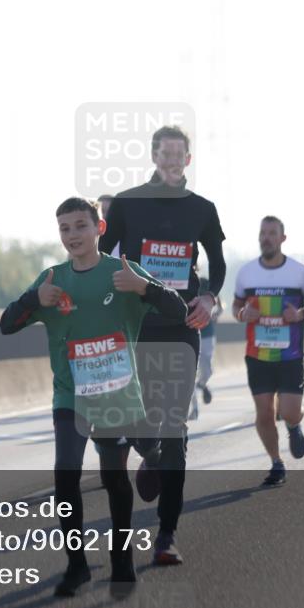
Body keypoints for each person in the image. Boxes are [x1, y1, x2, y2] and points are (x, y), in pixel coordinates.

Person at [0, 197, 187, 597]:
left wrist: (144, 287)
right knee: (65, 475)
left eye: (81, 226)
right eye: (65, 229)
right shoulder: (52, 279)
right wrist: (34, 300)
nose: (72, 236)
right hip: (70, 396)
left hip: (117, 397)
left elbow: (177, 309)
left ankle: (121, 559)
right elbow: (6, 325)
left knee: (113, 480)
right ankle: (77, 565)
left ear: (99, 228)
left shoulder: (122, 272)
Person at [99, 125, 226, 566]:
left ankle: (167, 535)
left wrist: (210, 297)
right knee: (137, 421)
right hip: (134, 327)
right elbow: (100, 254)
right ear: (154, 156)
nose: (172, 160)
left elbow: (218, 262)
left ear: (187, 160)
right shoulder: (128, 203)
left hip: (181, 324)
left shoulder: (203, 210)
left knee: (175, 430)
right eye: (165, 152)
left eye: (179, 154)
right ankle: (149, 452)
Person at [233, 216, 304, 487]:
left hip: (290, 356)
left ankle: (294, 426)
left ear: (283, 238)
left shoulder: (298, 271)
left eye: (272, 233)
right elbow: (236, 306)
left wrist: (301, 314)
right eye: (263, 233)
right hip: (257, 355)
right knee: (264, 413)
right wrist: (243, 314)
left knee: (290, 411)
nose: (266, 238)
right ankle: (276, 463)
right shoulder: (247, 272)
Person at [190, 273, 222, 420]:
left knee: (206, 369)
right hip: (189, 331)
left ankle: (202, 384)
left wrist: (214, 314)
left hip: (207, 333)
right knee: (188, 372)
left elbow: (219, 307)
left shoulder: (207, 283)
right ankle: (194, 409)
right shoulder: (179, 278)